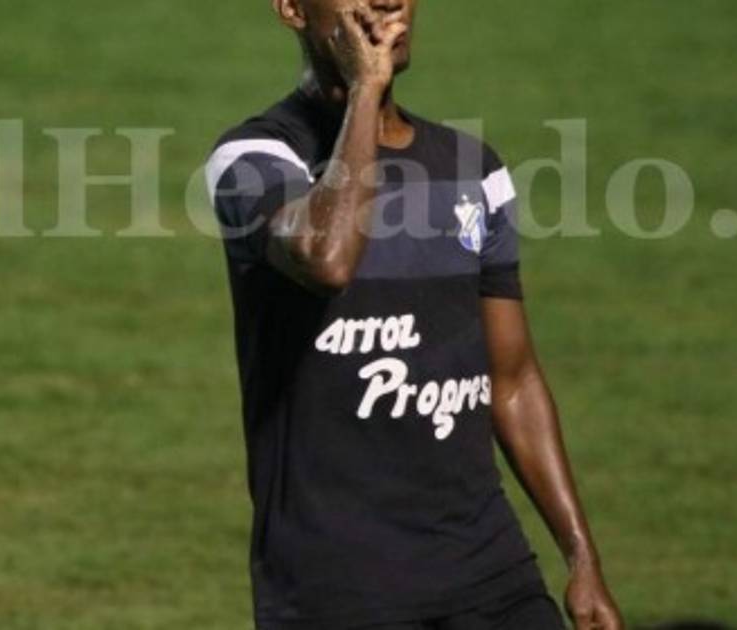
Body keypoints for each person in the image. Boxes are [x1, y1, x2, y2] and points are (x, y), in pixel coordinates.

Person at [205, 1, 623, 628]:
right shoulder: (255, 159)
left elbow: (512, 380)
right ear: (291, 8)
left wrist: (583, 559)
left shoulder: (471, 169)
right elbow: (326, 258)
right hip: (338, 590)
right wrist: (365, 92)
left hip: (491, 575)